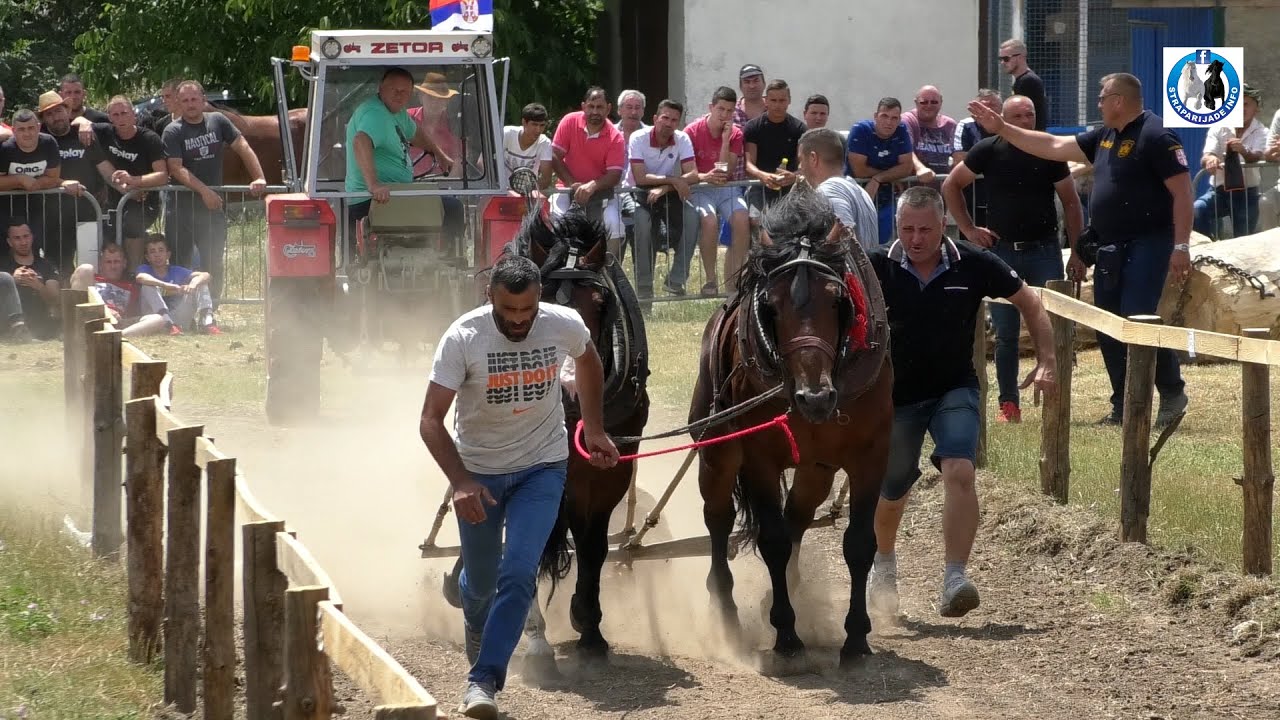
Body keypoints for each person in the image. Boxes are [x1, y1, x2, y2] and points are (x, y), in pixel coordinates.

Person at [418, 253, 618, 720]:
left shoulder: (561, 324)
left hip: (541, 468)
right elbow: (430, 420)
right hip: (481, 475)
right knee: (481, 583)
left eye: (527, 311)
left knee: (518, 572)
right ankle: (474, 611)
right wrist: (460, 482)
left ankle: (482, 681)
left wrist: (593, 427)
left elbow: (587, 359)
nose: (518, 321)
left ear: (538, 299)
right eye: (508, 311)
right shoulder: (463, 337)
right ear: (490, 296)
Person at [867, 186, 1056, 619]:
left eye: (925, 230)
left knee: (960, 470)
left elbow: (1030, 303)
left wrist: (1047, 361)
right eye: (907, 229)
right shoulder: (876, 265)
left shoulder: (973, 262)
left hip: (954, 387)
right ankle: (884, 566)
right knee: (893, 491)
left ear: (944, 225)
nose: (915, 239)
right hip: (897, 397)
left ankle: (954, 578)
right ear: (896, 226)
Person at [968, 72, 1192, 428]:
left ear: (1119, 100)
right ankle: (1122, 405)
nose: (1098, 103)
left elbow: (1183, 192)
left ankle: (1171, 392)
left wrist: (1181, 246)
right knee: (1106, 323)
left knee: (1137, 317)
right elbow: (1053, 145)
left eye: (1102, 97)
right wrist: (1003, 129)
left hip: (1148, 241)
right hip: (1110, 245)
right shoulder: (1105, 135)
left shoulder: (1156, 135)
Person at [943, 95, 1082, 423]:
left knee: (1055, 328)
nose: (1025, 121)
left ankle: (1056, 403)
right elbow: (951, 185)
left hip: (1044, 249)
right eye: (1017, 116)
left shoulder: (1048, 150)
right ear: (1002, 119)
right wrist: (968, 229)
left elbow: (1071, 202)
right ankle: (1009, 404)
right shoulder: (988, 149)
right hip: (1002, 251)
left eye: (1029, 115)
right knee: (1005, 334)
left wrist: (1077, 252)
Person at [164, 79, 268, 306]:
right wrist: (205, 192)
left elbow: (243, 146)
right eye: (185, 100)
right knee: (180, 262)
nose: (190, 104)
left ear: (204, 99)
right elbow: (176, 168)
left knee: (213, 262)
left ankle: (211, 308)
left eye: (194, 99)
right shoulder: (172, 131)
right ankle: (180, 311)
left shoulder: (218, 121)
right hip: (181, 209)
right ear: (179, 103)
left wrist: (259, 177)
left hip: (211, 210)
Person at [344, 67, 454, 258]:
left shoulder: (396, 112)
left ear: (410, 94)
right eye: (394, 89)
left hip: (394, 197)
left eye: (404, 91)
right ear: (381, 89)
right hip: (374, 201)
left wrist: (439, 154)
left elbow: (415, 133)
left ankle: (434, 260)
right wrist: (374, 185)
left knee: (444, 205)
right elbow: (360, 141)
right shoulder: (375, 114)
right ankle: (451, 260)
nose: (399, 95)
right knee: (453, 209)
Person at [626, 99, 697, 297]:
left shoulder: (682, 138)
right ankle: (644, 287)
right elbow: (640, 177)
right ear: (655, 118)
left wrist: (666, 187)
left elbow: (693, 174)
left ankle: (676, 280)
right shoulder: (638, 138)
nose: (669, 123)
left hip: (667, 191)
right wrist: (673, 180)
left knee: (692, 216)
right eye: (665, 118)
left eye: (674, 120)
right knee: (641, 222)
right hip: (637, 190)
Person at [550, 87, 627, 256]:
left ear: (608, 108)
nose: (595, 111)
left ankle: (607, 267)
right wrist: (572, 183)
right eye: (591, 106)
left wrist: (592, 186)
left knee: (614, 225)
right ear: (583, 106)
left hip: (603, 193)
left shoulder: (616, 136)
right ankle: (557, 267)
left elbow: (614, 175)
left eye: (600, 107)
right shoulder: (569, 121)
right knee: (556, 221)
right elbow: (554, 156)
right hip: (566, 188)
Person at [1194, 84, 1266, 239]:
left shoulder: (1261, 131)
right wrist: (1210, 159)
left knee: (1243, 239)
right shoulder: (1219, 127)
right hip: (1219, 191)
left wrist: (1244, 151)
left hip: (1247, 194)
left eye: (1246, 104)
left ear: (1256, 108)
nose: (1241, 109)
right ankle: (1207, 247)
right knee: (1197, 210)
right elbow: (1206, 156)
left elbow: (1257, 156)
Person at [846, 97, 915, 245]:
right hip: (856, 199)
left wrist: (879, 178)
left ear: (899, 120)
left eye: (894, 118)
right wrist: (892, 175)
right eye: (884, 116)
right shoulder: (860, 130)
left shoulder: (901, 130)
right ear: (876, 116)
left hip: (886, 199)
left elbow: (906, 167)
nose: (889, 122)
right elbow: (859, 170)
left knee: (881, 246)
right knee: (856, 245)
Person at [797, 128, 878, 250]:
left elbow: (847, 241)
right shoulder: (858, 189)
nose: (800, 167)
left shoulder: (828, 193)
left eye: (801, 159)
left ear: (813, 158)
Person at [70, 243, 168, 337]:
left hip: (118, 323)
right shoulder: (91, 279)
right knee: (85, 268)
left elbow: (148, 282)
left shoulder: (132, 286)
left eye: (116, 262)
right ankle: (79, 329)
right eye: (108, 262)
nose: (113, 266)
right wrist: (105, 310)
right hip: (93, 318)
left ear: (124, 264)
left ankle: (116, 337)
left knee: (158, 319)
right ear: (100, 265)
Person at [743, 79, 806, 219]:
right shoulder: (753, 127)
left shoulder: (799, 128)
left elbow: (803, 164)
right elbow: (748, 164)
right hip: (760, 186)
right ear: (766, 101)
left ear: (789, 101)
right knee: (756, 221)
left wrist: (794, 176)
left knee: (795, 223)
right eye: (773, 100)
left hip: (791, 188)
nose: (777, 105)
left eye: (782, 100)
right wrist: (763, 176)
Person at [133, 234, 217, 334]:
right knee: (147, 286)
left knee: (201, 283)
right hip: (155, 319)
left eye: (161, 250)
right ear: (147, 257)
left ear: (168, 255)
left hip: (177, 316)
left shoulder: (176, 270)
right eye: (152, 251)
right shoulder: (144, 269)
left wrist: (192, 285)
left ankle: (207, 323)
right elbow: (140, 277)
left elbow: (206, 275)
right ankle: (168, 324)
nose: (157, 255)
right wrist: (166, 285)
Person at [0, 218, 60, 340]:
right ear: (9, 242)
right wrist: (12, 280)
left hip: (41, 326)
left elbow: (55, 301)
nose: (23, 242)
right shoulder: (2, 265)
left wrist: (38, 286)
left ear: (32, 237)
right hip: (8, 327)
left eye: (26, 236)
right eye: (17, 238)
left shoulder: (47, 265)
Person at [500, 103, 553, 192]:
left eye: (542, 125)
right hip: (501, 192)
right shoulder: (506, 133)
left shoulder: (544, 143)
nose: (538, 130)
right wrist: (499, 188)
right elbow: (482, 162)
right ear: (524, 122)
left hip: (527, 194)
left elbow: (546, 179)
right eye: (534, 124)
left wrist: (527, 194)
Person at [999, 39, 1048, 130]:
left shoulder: (1027, 81)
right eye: (1001, 59)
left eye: (1006, 59)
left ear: (1020, 57)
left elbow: (1024, 115)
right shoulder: (1023, 80)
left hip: (1030, 135)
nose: (1003, 63)